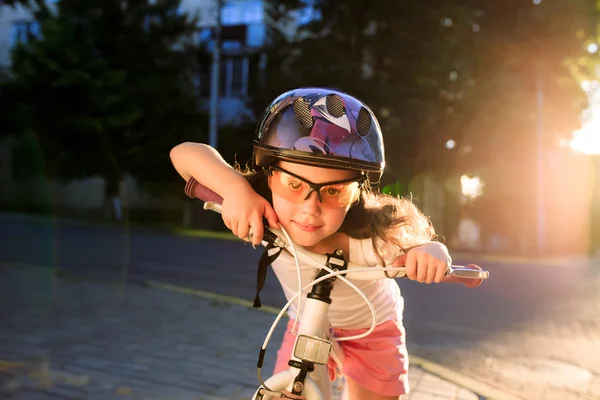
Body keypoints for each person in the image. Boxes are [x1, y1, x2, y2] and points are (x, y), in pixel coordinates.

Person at [170, 88, 483, 400]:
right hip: (305, 327)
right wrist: (235, 188)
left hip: (372, 331)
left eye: (334, 192)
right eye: (294, 185)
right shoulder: (263, 208)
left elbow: (416, 242)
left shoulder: (373, 235)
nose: (310, 207)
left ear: (356, 193)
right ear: (269, 178)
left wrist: (430, 252)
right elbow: (182, 154)